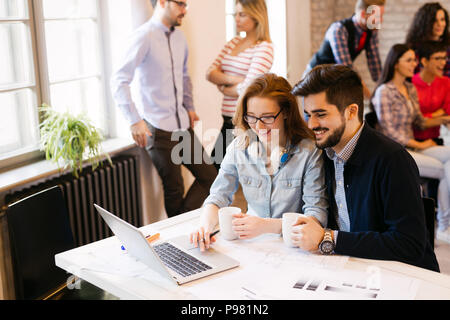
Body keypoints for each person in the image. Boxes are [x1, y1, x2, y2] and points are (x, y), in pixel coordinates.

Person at [292, 64, 439, 272]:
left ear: (351, 111)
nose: (311, 124)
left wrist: (329, 239)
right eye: (308, 114)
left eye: (321, 114)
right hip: (354, 268)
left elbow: (409, 243)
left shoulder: (393, 160)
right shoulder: (324, 154)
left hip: (402, 276)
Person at [190, 73, 328, 251]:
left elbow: (316, 216)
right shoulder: (238, 148)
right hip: (254, 246)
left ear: (286, 112)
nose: (259, 126)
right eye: (252, 117)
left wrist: (266, 225)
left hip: (295, 247)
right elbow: (217, 197)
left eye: (268, 117)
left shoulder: (309, 152)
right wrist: (204, 226)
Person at [110, 0, 217, 218]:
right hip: (158, 129)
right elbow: (119, 81)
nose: (184, 10)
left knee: (211, 178)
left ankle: (181, 226)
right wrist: (134, 120)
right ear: (162, 2)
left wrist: (190, 106)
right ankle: (181, 236)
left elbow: (184, 77)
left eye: (186, 5)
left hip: (182, 125)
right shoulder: (143, 37)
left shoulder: (179, 38)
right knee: (174, 189)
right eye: (180, 4)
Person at [371, 44, 450, 244]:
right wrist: (421, 144)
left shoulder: (409, 87)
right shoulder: (384, 91)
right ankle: (443, 224)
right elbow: (390, 132)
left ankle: (443, 224)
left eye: (414, 60)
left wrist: (443, 118)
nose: (414, 64)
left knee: (448, 158)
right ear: (396, 63)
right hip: (397, 151)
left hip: (414, 146)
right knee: (442, 169)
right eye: (409, 60)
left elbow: (420, 121)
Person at [206, 0, 274, 171]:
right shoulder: (233, 43)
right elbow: (210, 73)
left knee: (215, 173)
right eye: (236, 13)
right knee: (217, 174)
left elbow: (248, 88)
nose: (237, 18)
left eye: (242, 14)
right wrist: (237, 80)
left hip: (245, 123)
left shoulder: (264, 47)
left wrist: (225, 85)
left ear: (257, 17)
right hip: (228, 119)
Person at [305, 0, 385, 98]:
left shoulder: (372, 31)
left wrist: (384, 90)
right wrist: (370, 98)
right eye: (377, 16)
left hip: (333, 79)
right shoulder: (339, 29)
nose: (381, 20)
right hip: (316, 78)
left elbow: (376, 68)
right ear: (364, 14)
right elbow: (347, 68)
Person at [412, 41, 450, 144]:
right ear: (424, 61)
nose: (443, 63)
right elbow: (413, 119)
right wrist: (436, 114)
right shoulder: (411, 85)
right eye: (438, 58)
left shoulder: (446, 82)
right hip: (412, 141)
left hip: (435, 140)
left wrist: (427, 116)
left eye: (444, 58)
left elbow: (448, 110)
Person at [406, 2, 450, 78]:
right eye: (434, 20)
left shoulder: (448, 46)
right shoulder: (414, 50)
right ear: (425, 23)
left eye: (442, 19)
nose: (439, 24)